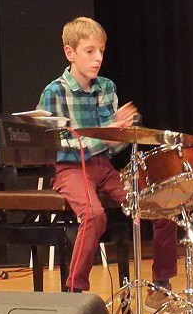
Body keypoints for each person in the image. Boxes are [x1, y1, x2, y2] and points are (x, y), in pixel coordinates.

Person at [38, 17, 179, 299]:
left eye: (101, 51)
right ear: (70, 53)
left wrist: (121, 132)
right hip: (70, 169)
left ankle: (160, 286)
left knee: (163, 206)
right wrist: (106, 136)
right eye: (90, 51)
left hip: (104, 166)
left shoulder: (106, 87)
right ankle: (75, 291)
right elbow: (54, 145)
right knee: (94, 215)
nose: (98, 58)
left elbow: (113, 147)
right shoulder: (55, 92)